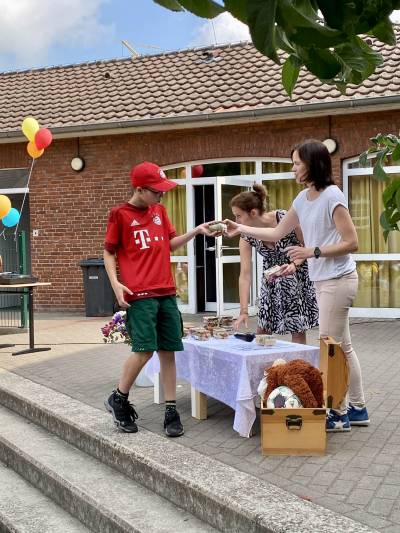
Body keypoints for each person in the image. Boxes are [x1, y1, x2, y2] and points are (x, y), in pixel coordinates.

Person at [223, 140, 369, 432]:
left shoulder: (332, 196)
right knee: (343, 348)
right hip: (322, 280)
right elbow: (277, 231)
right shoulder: (302, 199)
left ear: (312, 164)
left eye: (297, 164)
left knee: (330, 349)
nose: (293, 170)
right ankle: (358, 408)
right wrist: (240, 228)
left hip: (338, 280)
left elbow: (352, 242)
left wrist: (311, 252)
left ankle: (337, 414)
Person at [103, 161, 215, 437]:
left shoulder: (160, 212)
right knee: (144, 350)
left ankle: (170, 410)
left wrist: (197, 231)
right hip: (139, 295)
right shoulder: (119, 214)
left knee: (168, 351)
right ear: (139, 189)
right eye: (157, 192)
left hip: (166, 292)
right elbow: (109, 252)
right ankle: (118, 398)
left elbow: (169, 243)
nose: (161, 196)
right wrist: (116, 283)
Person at [230, 184, 318, 343]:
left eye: (238, 216)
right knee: (262, 330)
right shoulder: (246, 236)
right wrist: (243, 311)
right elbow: (245, 275)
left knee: (297, 328)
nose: (236, 221)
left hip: (296, 279)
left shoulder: (284, 218)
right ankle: (264, 366)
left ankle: (297, 367)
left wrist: (294, 264)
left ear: (253, 213)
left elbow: (307, 246)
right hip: (270, 282)